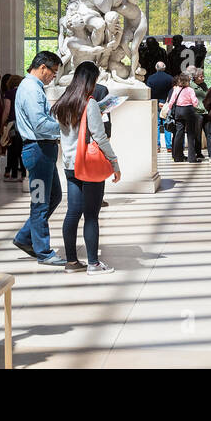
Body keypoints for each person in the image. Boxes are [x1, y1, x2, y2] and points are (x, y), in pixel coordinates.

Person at [53, 61, 121, 275]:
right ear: (90, 80)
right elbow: (100, 137)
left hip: (70, 164)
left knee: (73, 213)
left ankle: (72, 262)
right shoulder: (89, 103)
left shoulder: (63, 101)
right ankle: (93, 263)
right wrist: (114, 162)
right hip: (88, 164)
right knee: (91, 214)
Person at [11, 51, 67, 266]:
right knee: (40, 202)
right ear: (43, 67)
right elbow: (40, 125)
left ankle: (25, 237)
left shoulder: (33, 88)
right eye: (53, 72)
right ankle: (43, 252)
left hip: (43, 150)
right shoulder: (31, 89)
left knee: (53, 197)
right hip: (38, 150)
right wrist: (67, 127)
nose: (53, 76)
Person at [161, 72, 203, 163]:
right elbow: (195, 102)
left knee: (178, 134)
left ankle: (177, 157)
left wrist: (169, 110)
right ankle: (192, 158)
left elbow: (171, 101)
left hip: (178, 112)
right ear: (187, 81)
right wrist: (195, 105)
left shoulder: (176, 89)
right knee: (191, 134)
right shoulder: (190, 90)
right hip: (189, 111)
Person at [146, 60, 175, 151]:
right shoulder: (170, 78)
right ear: (165, 68)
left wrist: (157, 101)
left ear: (156, 68)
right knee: (167, 122)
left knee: (156, 124)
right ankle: (169, 146)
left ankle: (157, 146)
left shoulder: (150, 78)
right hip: (166, 103)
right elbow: (172, 92)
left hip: (155, 102)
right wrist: (167, 102)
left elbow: (148, 91)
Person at [1, 74, 25, 182]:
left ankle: (14, 174)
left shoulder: (9, 93)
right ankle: (24, 174)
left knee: (13, 150)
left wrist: (1, 124)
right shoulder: (24, 93)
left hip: (12, 124)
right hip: (23, 124)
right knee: (22, 150)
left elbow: (7, 110)